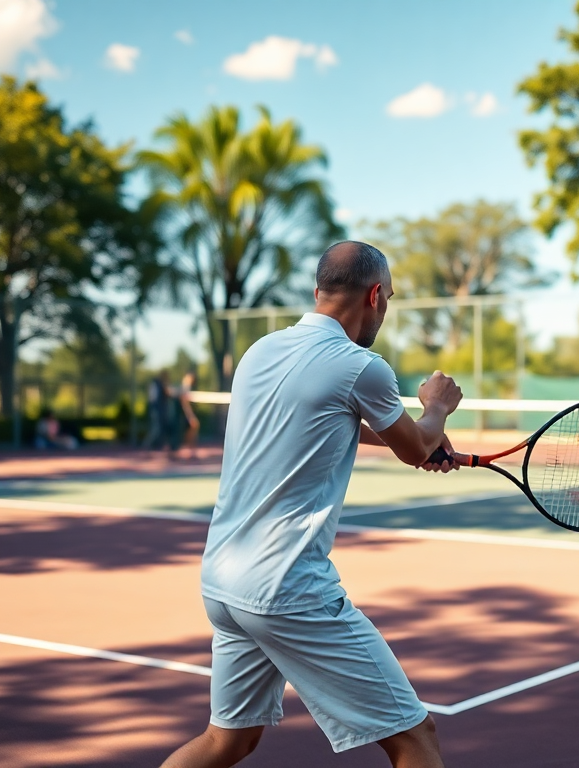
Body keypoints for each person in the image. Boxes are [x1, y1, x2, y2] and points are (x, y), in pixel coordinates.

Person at [160, 241, 459, 768]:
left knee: (229, 740)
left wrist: (410, 434)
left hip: (224, 582)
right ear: (373, 296)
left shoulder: (261, 351)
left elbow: (325, 420)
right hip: (287, 589)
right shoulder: (361, 365)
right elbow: (415, 449)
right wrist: (435, 409)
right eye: (387, 299)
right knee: (416, 737)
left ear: (318, 291)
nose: (384, 311)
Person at [143, 370, 170, 450]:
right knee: (156, 428)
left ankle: (157, 446)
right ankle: (147, 445)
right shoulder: (155, 384)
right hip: (156, 410)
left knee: (160, 428)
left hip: (160, 410)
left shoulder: (161, 385)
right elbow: (153, 398)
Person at [176, 371, 200, 460]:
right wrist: (190, 417)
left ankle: (190, 452)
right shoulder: (184, 388)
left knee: (191, 432)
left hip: (184, 415)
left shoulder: (187, 388)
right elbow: (185, 404)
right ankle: (180, 452)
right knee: (186, 434)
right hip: (183, 416)